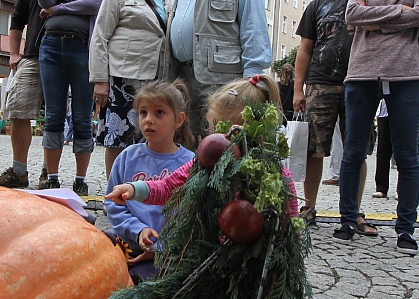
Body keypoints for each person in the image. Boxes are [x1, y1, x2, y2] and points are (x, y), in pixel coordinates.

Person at [338, 0, 419, 255]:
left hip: (406, 74)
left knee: (407, 155)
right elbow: (352, 15)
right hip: (363, 73)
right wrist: (400, 13)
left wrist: (375, 17)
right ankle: (348, 220)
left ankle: (406, 229)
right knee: (353, 151)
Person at [106, 75, 298, 220]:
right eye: (215, 132)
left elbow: (289, 225)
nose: (219, 141)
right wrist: (134, 188)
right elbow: (168, 187)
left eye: (227, 133)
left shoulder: (275, 177)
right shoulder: (204, 164)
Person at [292, 0, 376, 236]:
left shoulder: (372, 1)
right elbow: (304, 49)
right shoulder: (318, 4)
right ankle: (308, 207)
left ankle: (354, 210)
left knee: (358, 151)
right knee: (314, 150)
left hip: (361, 83)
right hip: (320, 83)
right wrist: (298, 90)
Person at [166, 0, 271, 141]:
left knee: (222, 149)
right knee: (189, 148)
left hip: (222, 83)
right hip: (184, 81)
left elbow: (254, 27)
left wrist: (251, 82)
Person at [91, 0, 175, 176]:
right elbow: (99, 36)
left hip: (157, 81)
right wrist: (100, 80)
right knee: (117, 139)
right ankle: (114, 192)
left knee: (150, 139)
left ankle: (142, 190)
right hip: (123, 79)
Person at [35, 0, 112, 195]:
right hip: (52, 45)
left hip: (83, 48)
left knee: (81, 116)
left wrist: (58, 9)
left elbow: (97, 3)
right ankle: (53, 176)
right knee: (54, 113)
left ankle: (80, 178)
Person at [104, 81, 194, 280]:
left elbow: (191, 217)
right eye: (143, 113)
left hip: (168, 253)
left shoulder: (190, 163)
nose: (148, 120)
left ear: (178, 120)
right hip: (127, 242)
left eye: (159, 112)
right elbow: (113, 204)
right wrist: (139, 231)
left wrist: (160, 245)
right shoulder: (128, 157)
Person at [0, 0, 45, 188]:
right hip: (32, 56)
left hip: (65, 58)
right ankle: (19, 171)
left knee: (57, 117)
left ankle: (49, 173)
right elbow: (17, 20)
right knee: (18, 109)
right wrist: (13, 53)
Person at [373, 101, 391, 198]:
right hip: (384, 112)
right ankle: (381, 187)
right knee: (382, 150)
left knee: (403, 151)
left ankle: (402, 188)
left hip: (405, 108)